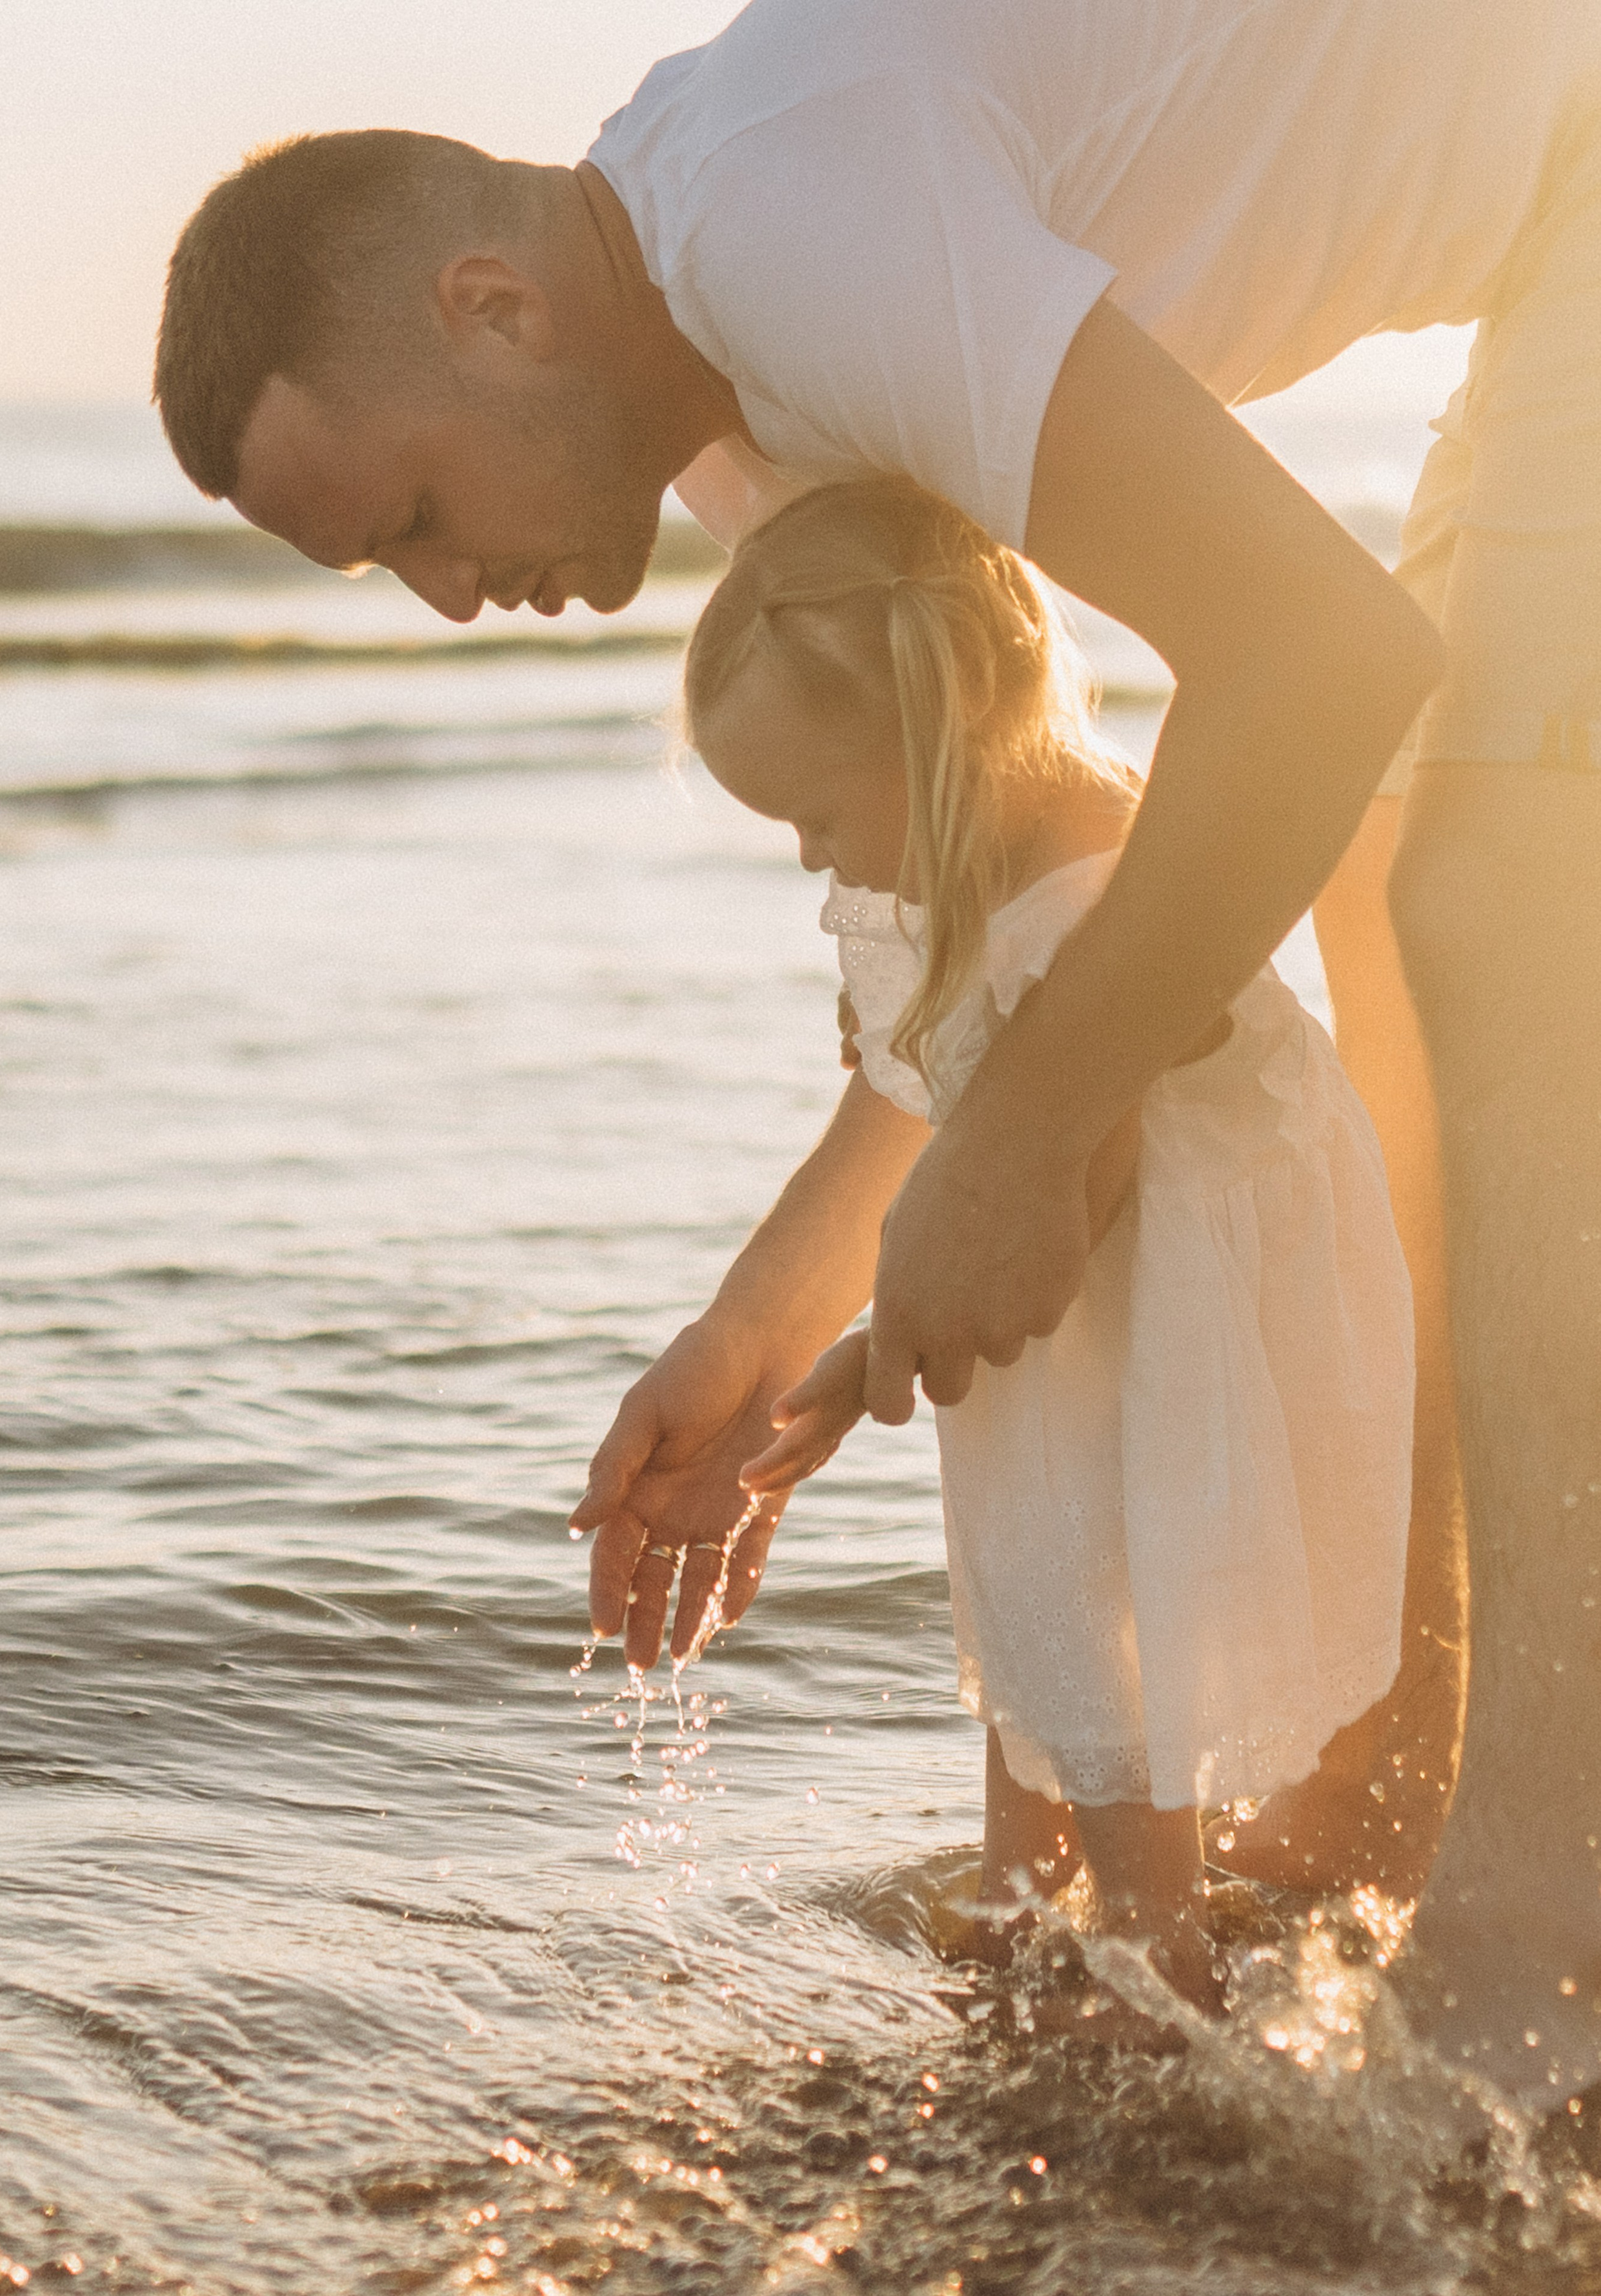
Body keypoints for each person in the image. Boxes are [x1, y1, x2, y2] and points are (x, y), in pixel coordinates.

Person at [151, 1, 1601, 2097]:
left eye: (409, 524)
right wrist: (759, 1333)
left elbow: (1315, 652)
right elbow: (982, 950)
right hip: (1522, 251)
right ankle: (1398, 1808)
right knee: (1388, 920)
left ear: (492, 312)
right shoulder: (738, 422)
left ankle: (1537, 1941)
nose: (448, 601)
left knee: (1477, 928)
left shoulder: (791, 225)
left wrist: (1048, 1121)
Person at [641, 474, 1419, 2001]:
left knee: (1099, 1610)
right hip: (1074, 1315)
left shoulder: (1079, 904)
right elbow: (930, 1110)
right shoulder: (980, 859)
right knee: (1037, 1594)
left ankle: (1149, 1953)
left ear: (938, 738)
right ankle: (1016, 1892)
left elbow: (1071, 1207)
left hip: (1133, 1313)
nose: (811, 862)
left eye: (814, 816)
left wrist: (871, 1351)